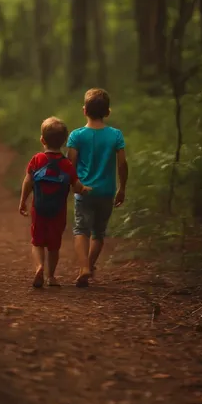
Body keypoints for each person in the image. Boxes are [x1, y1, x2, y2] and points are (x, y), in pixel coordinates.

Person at [19, 117, 91, 289]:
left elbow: (28, 181)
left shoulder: (37, 159)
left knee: (37, 242)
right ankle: (51, 276)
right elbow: (76, 186)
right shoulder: (67, 164)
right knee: (53, 246)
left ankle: (39, 267)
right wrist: (85, 189)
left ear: (42, 140)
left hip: (39, 209)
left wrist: (23, 201)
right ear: (64, 141)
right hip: (58, 212)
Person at [66, 88, 128, 287]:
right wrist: (122, 188)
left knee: (80, 230)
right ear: (108, 112)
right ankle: (90, 265)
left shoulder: (77, 136)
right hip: (107, 191)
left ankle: (84, 267)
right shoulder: (115, 135)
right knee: (98, 233)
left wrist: (74, 184)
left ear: (84, 110)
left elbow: (70, 164)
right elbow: (122, 164)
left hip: (84, 191)